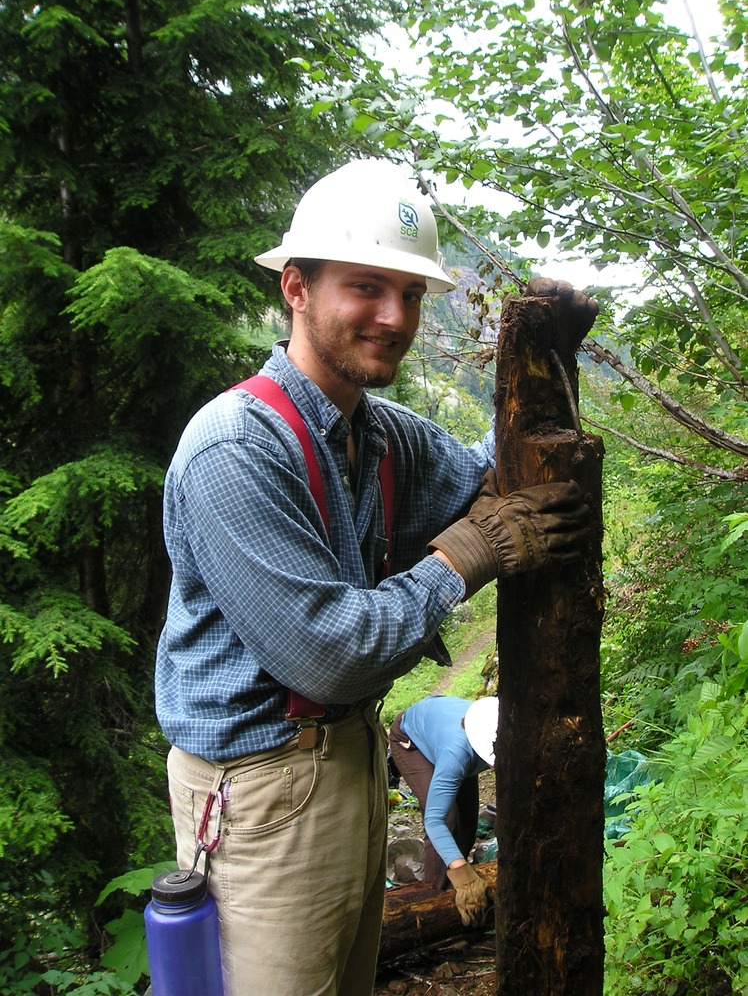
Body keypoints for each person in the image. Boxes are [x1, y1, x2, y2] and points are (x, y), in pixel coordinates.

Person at [154, 157, 597, 996]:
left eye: (412, 294)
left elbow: (481, 472)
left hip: (351, 758)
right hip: (258, 789)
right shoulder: (235, 450)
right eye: (365, 288)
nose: (394, 317)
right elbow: (329, 655)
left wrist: (549, 374)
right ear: (296, 287)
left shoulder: (376, 434)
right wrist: (469, 555)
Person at [389, 695, 498, 927]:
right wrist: (463, 876)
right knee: (448, 819)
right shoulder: (456, 754)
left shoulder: (495, 731)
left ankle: (457, 903)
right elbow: (434, 821)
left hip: (444, 732)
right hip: (411, 740)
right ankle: (434, 901)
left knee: (467, 825)